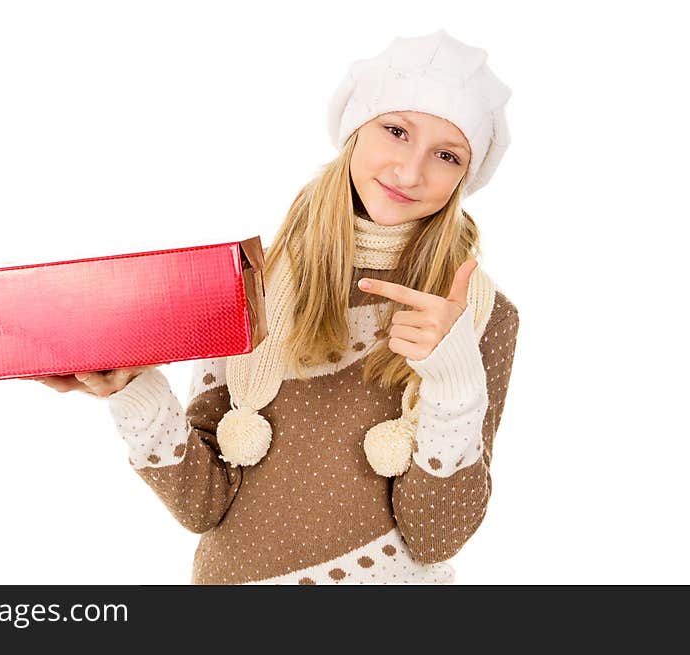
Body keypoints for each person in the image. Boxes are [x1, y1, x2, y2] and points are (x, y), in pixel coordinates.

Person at [35, 29, 520, 585]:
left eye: (446, 154)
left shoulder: (481, 317)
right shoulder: (251, 285)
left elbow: (437, 536)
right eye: (395, 131)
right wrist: (131, 390)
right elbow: (203, 504)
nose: (410, 172)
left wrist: (452, 382)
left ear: (466, 175)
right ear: (355, 131)